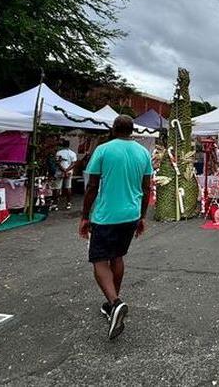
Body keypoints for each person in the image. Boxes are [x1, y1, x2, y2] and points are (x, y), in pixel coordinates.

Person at [79, 115, 153, 340]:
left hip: (106, 215)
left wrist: (84, 216)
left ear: (113, 129)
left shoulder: (103, 150)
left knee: (100, 260)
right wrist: (141, 216)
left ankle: (115, 302)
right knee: (117, 257)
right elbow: (147, 188)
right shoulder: (143, 153)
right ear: (132, 131)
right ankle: (113, 306)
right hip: (130, 214)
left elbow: (92, 186)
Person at [51, 139, 77, 211]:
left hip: (60, 172)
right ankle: (68, 203)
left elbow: (57, 162)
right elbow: (74, 163)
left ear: (62, 145)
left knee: (57, 188)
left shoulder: (59, 153)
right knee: (68, 187)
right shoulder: (72, 153)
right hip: (69, 172)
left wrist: (63, 170)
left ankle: (55, 204)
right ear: (69, 145)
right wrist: (67, 170)